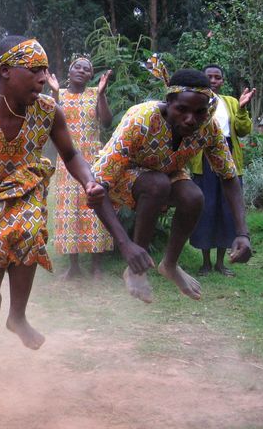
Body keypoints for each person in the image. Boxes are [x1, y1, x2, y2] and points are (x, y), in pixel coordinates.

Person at [0, 36, 151, 350]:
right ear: (5, 72)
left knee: (29, 233)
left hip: (25, 186)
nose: (44, 77)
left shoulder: (48, 110)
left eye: (45, 70)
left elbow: (70, 154)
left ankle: (17, 316)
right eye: (35, 70)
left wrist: (89, 181)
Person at [91, 68, 252, 304]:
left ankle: (170, 264)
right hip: (123, 177)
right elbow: (97, 186)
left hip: (167, 173)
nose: (191, 119)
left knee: (193, 196)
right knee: (157, 184)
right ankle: (136, 269)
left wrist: (242, 233)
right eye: (182, 110)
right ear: (169, 102)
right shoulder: (141, 119)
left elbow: (228, 176)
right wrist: (126, 246)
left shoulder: (207, 128)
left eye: (199, 112)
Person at [47, 56, 114, 279]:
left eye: (87, 69)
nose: (82, 71)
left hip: (92, 159)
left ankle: (96, 266)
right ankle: (73, 265)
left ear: (90, 76)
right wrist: (55, 94)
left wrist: (102, 94)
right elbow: (48, 123)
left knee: (94, 209)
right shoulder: (59, 95)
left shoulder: (95, 94)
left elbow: (106, 122)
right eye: (78, 67)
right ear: (70, 70)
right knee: (69, 212)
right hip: (67, 160)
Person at [189, 65, 255, 276]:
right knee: (206, 210)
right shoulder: (196, 102)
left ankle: (220, 262)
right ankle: (205, 263)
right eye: (210, 77)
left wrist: (243, 109)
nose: (214, 80)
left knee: (226, 211)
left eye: (218, 77)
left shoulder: (231, 103)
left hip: (228, 159)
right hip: (204, 161)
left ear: (223, 81)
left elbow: (243, 131)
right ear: (203, 80)